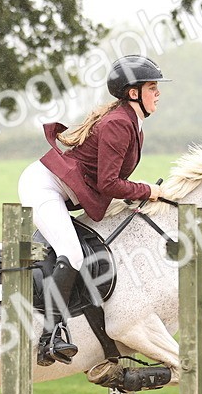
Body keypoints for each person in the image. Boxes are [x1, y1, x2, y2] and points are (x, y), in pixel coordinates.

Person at [19, 55, 169, 366]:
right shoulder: (118, 123)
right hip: (44, 187)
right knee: (72, 254)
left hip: (67, 191)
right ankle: (51, 335)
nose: (158, 94)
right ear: (133, 93)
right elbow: (110, 183)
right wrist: (147, 190)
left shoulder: (131, 122)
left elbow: (110, 182)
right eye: (152, 88)